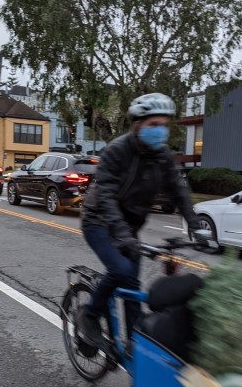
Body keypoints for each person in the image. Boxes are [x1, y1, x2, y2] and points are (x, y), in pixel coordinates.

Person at [78, 92, 199, 349]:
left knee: (132, 285)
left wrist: (196, 226)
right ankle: (89, 317)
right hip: (98, 221)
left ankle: (135, 342)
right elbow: (107, 197)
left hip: (130, 228)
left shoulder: (163, 155)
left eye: (165, 125)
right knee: (121, 271)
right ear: (137, 125)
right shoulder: (116, 151)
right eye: (153, 125)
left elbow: (179, 190)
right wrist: (121, 234)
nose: (160, 131)